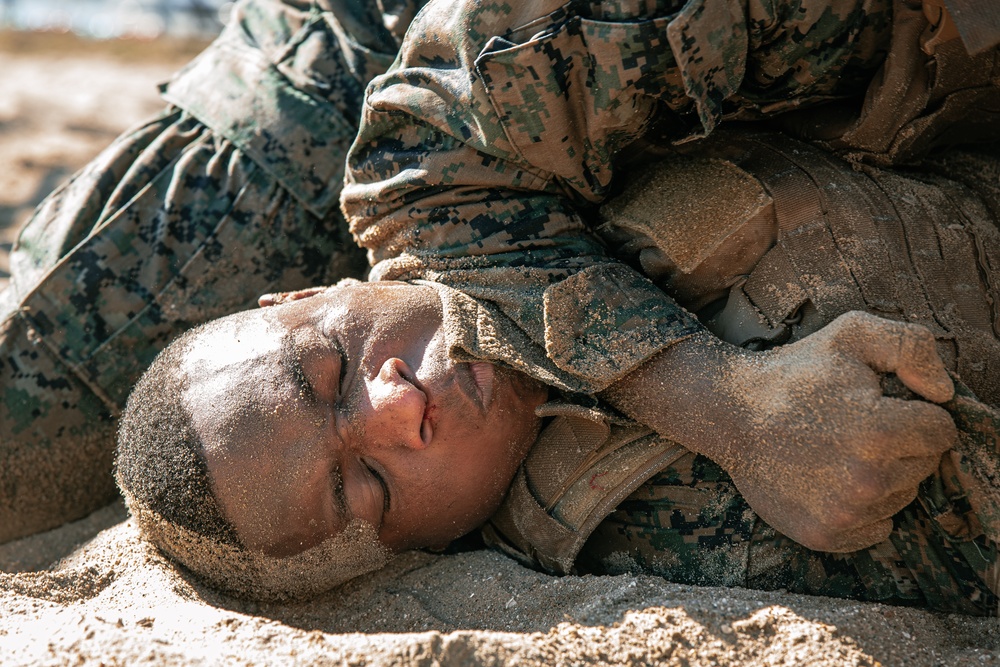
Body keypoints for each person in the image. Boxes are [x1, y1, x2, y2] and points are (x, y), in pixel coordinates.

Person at [113, 0, 999, 614]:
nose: (399, 407)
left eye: (334, 366)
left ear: (311, 291)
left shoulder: (438, 169)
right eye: (369, 485)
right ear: (411, 556)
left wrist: (727, 404)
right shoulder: (669, 543)